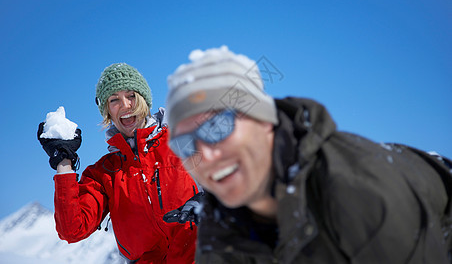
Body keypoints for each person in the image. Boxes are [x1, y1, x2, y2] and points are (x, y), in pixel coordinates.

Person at [164, 46, 452, 263]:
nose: (206, 155)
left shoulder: (360, 192)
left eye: (218, 126)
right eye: (186, 144)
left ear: (264, 121)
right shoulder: (219, 229)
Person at [38, 63, 199, 263]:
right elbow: (72, 230)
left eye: (131, 95)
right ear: (107, 111)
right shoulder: (104, 173)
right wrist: (63, 162)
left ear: (144, 100)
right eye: (114, 99)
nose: (124, 105)